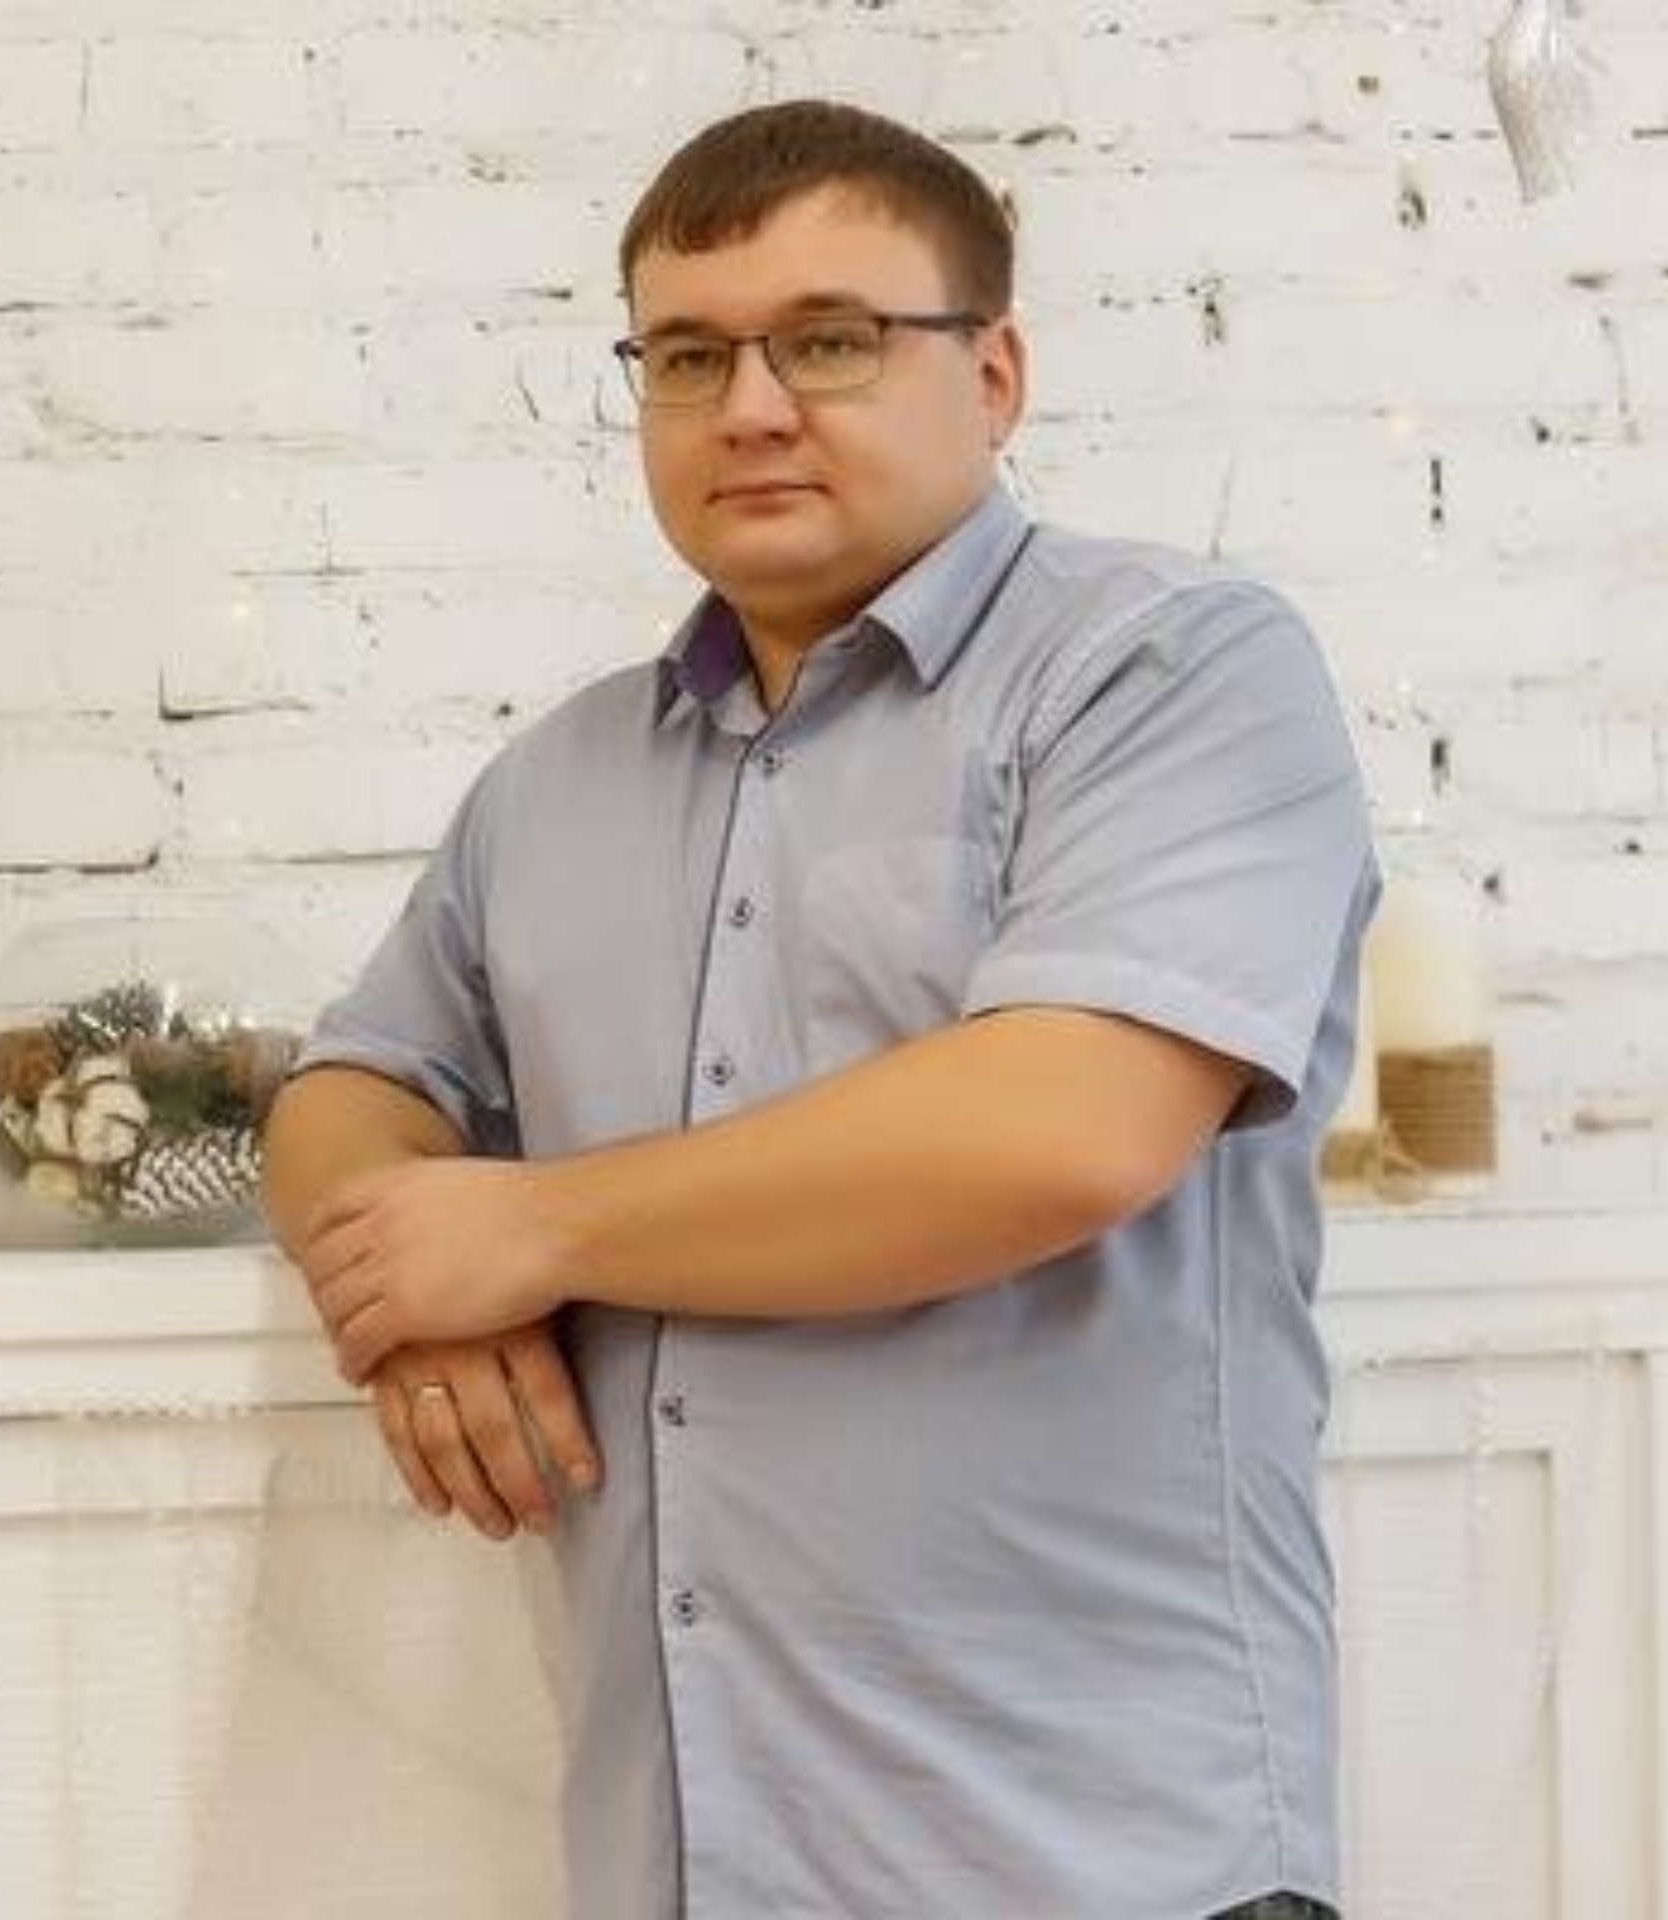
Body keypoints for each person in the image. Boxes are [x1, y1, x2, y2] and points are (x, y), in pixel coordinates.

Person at [263, 97, 1377, 1920]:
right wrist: (413, 1295)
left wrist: (528, 1229)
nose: (753, 407)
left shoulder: (1171, 673)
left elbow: (1061, 1130)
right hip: (692, 1868)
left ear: (995, 374)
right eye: (688, 356)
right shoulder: (552, 784)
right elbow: (353, 1086)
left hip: (1104, 1864)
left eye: (833, 341)